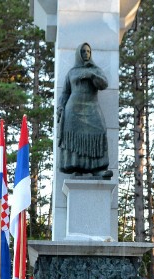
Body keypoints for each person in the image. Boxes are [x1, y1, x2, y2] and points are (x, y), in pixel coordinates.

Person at [57, 42, 112, 178]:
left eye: (88, 51)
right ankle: (77, 167)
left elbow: (104, 84)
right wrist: (60, 107)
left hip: (92, 107)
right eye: (83, 52)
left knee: (99, 132)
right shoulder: (72, 72)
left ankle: (98, 168)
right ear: (79, 54)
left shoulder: (95, 70)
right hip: (73, 110)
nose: (86, 54)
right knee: (75, 138)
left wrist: (92, 76)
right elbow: (65, 93)